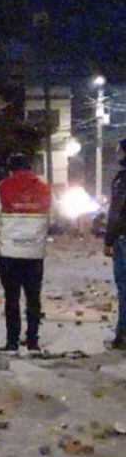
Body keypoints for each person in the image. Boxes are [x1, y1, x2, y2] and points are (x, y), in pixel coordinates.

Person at [0, 152, 52, 353]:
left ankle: (12, 342)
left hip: (10, 253)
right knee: (33, 298)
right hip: (35, 252)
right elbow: (53, 217)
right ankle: (33, 342)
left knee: (11, 298)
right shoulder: (45, 188)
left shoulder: (1, 188)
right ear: (29, 167)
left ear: (10, 169)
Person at [102, 138, 126, 350]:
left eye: (119, 150)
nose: (117, 154)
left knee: (124, 287)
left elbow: (117, 213)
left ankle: (123, 335)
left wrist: (108, 240)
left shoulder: (122, 180)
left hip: (124, 238)